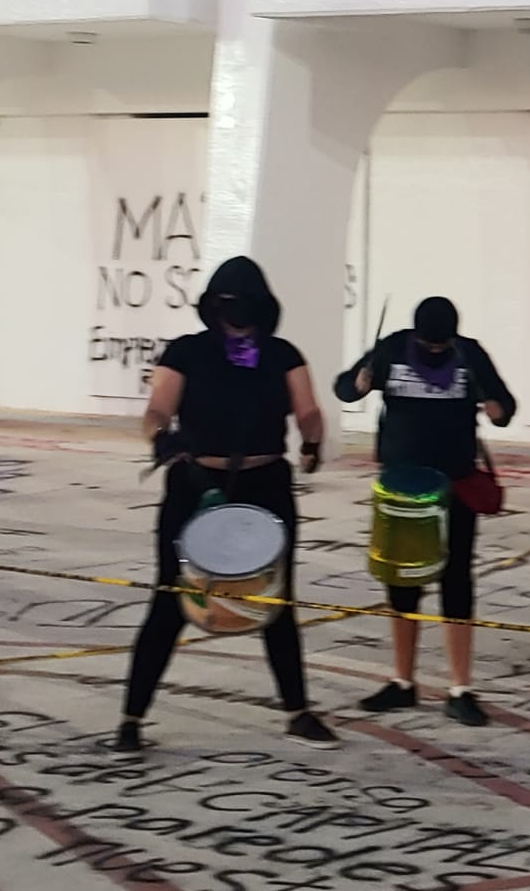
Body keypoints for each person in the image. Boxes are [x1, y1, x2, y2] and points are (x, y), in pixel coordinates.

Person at [116, 257, 336, 751]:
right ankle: (130, 719)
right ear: (213, 306)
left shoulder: (281, 354)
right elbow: (157, 408)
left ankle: (298, 712)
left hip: (264, 483)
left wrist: (311, 442)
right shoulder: (187, 351)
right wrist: (161, 437)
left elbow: (308, 409)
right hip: (196, 483)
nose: (235, 313)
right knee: (171, 597)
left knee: (275, 598)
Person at [336, 296, 516, 726]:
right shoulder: (393, 348)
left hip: (455, 485)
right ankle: (403, 681)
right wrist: (358, 384)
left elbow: (505, 406)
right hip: (402, 489)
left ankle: (460, 688)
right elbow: (343, 388)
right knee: (401, 581)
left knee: (456, 579)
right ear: (416, 335)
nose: (436, 352)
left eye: (442, 346)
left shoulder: (468, 354)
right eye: (429, 346)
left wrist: (497, 410)